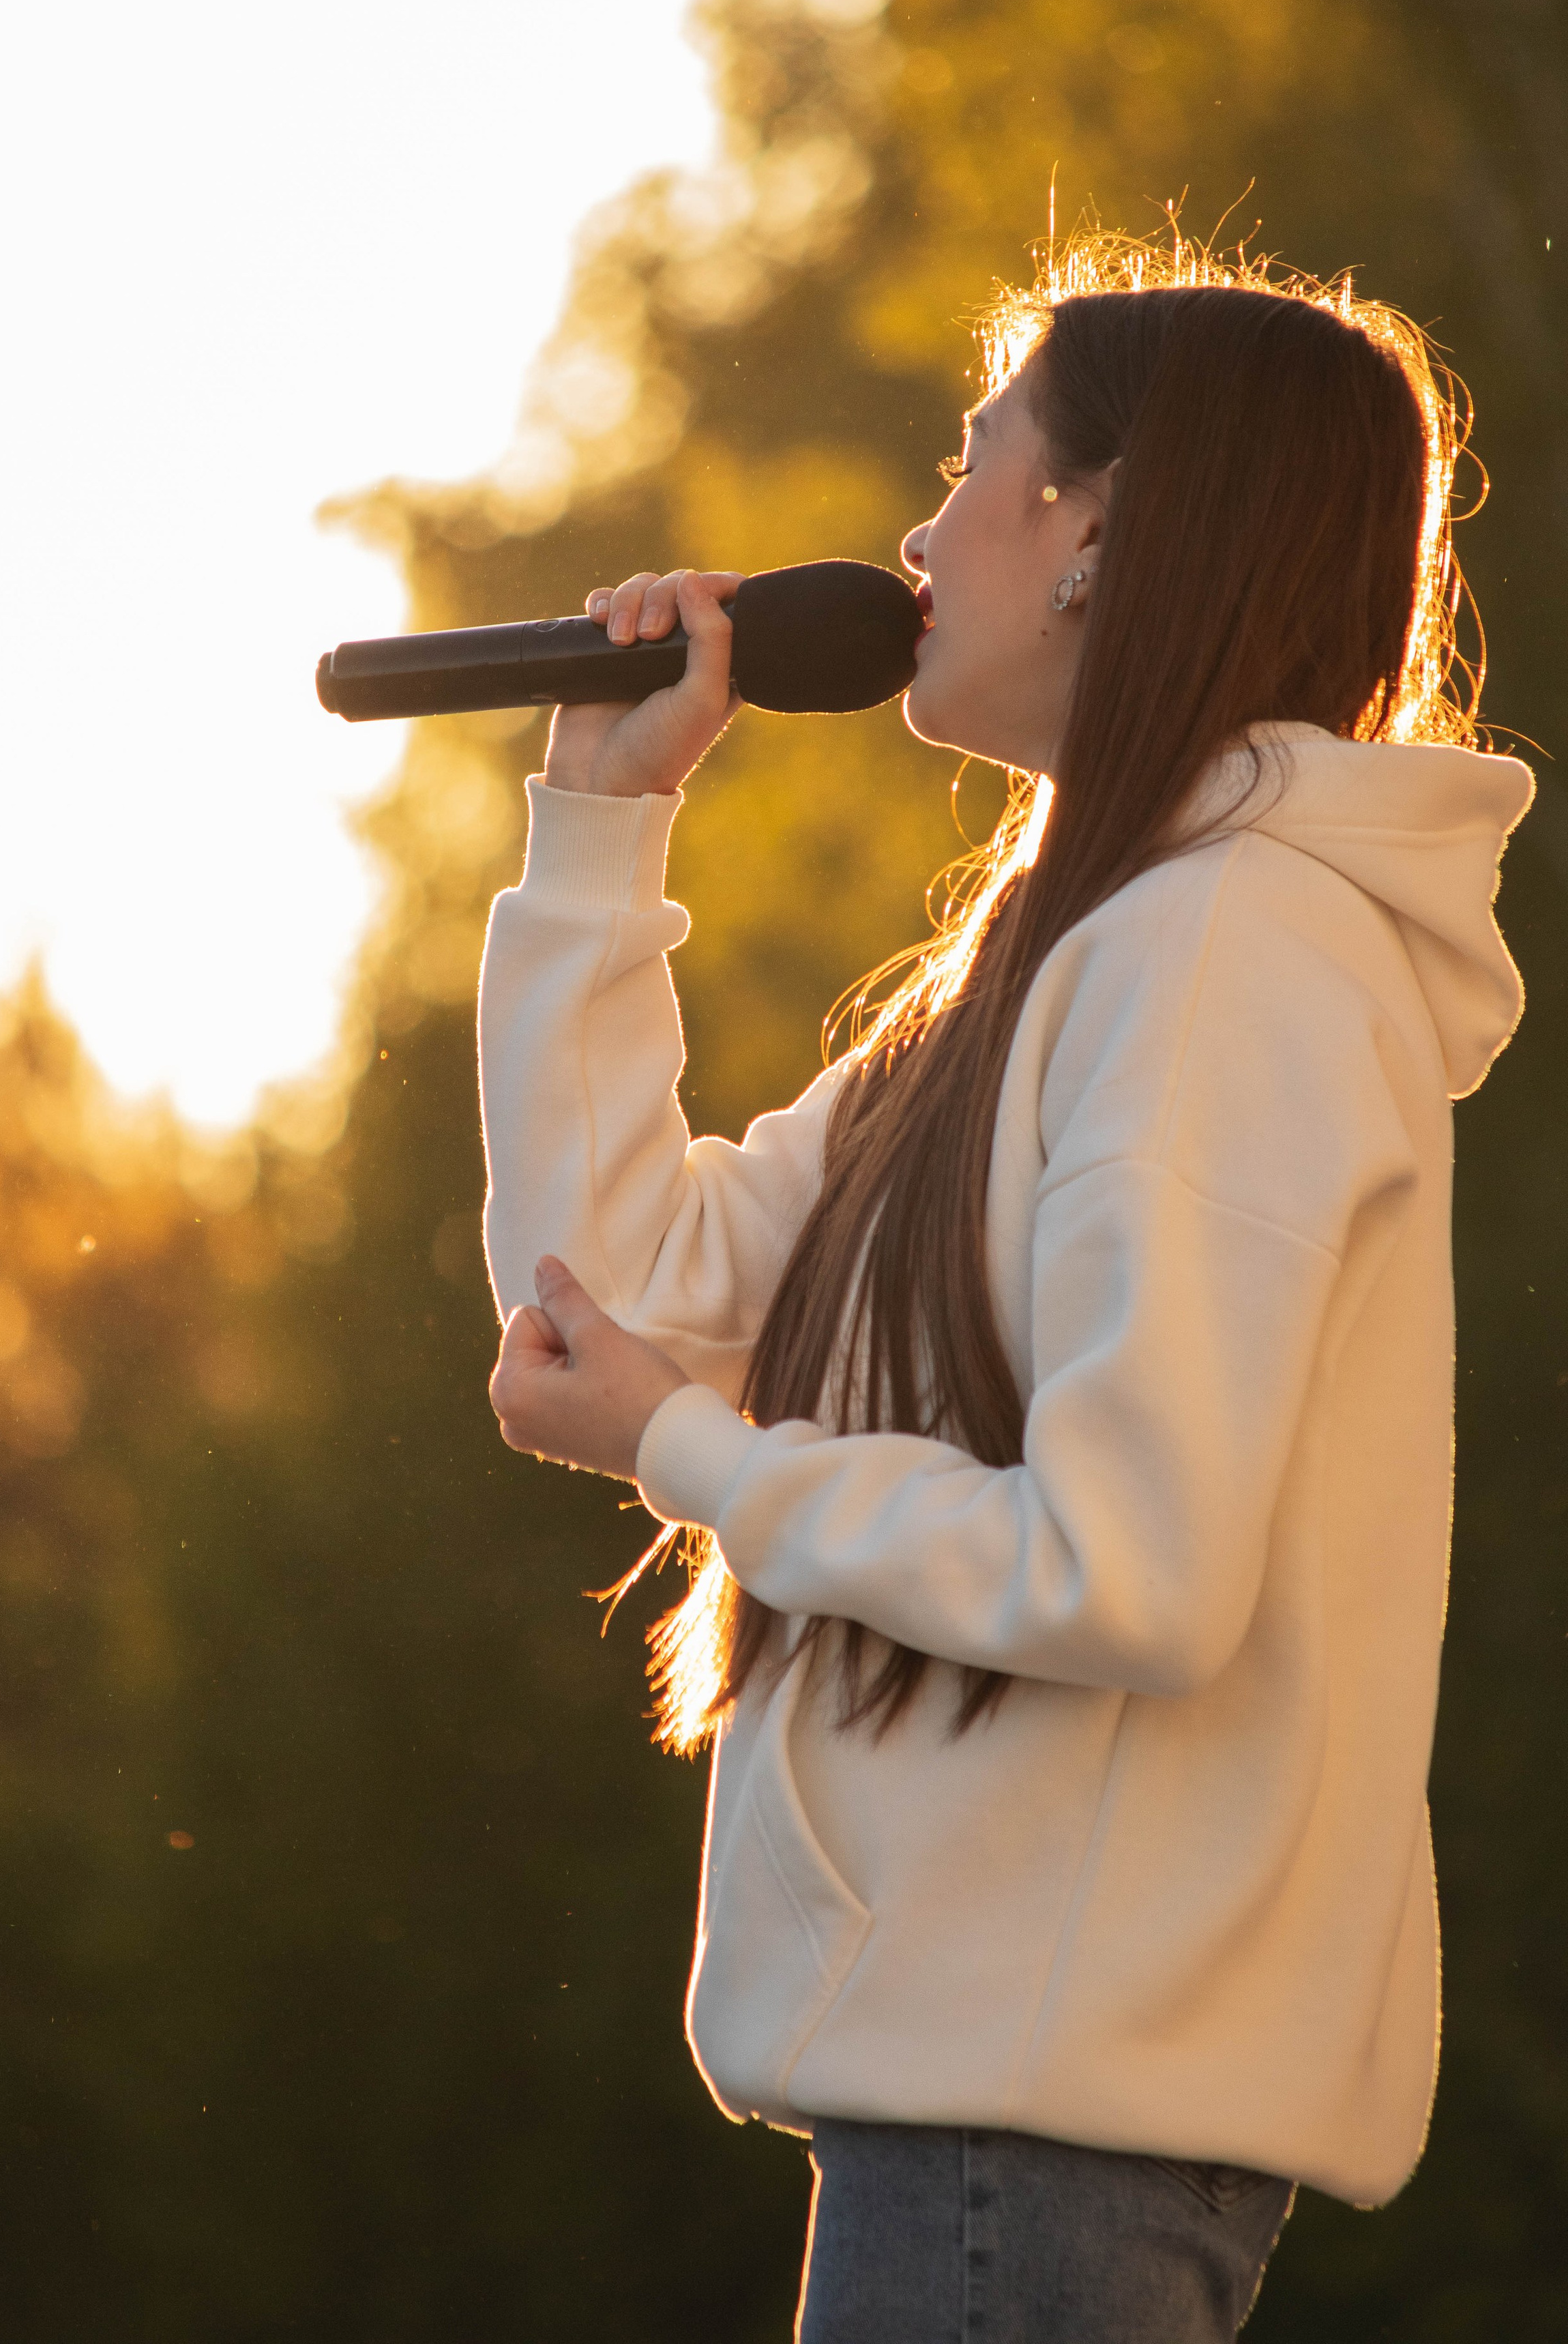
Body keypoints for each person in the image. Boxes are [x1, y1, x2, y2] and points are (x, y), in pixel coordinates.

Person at [477, 237, 1533, 2343]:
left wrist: (695, 1454)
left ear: (1097, 535)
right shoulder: (1076, 952)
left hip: (1035, 2152)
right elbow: (614, 1286)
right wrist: (602, 838)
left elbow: (1128, 1569)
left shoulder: (1221, 959)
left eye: (973, 465)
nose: (917, 532)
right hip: (992, 2149)